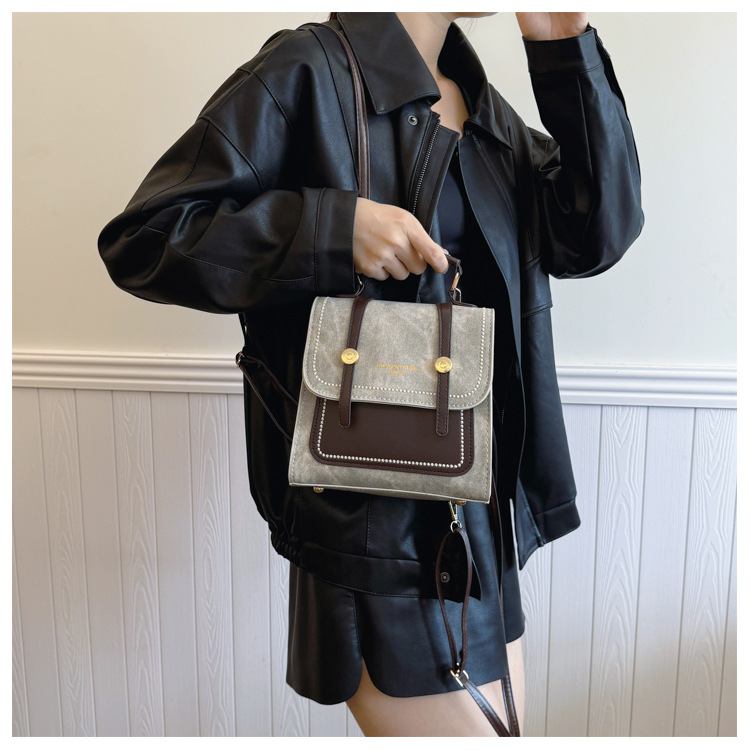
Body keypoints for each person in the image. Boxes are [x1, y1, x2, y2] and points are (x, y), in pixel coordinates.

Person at [98, 11, 643, 737]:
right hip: (376, 526)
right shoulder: (306, 71)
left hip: (481, 522)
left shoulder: (483, 108)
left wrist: (563, 41)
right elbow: (145, 237)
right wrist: (329, 229)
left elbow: (596, 231)